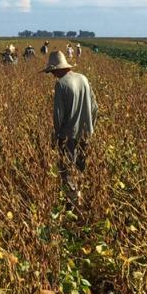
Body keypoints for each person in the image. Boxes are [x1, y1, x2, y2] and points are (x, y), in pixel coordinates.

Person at [43, 50, 97, 209]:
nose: (53, 75)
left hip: (68, 136)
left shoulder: (61, 84)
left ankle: (73, 205)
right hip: (86, 134)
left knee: (67, 171)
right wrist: (89, 126)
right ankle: (83, 200)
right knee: (81, 168)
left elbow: (58, 116)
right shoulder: (84, 79)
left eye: (53, 71)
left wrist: (56, 136)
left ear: (58, 69)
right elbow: (95, 108)